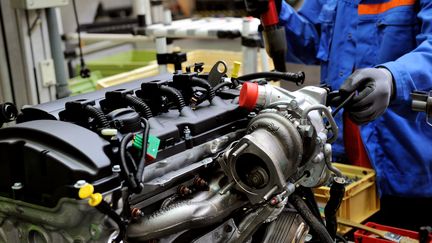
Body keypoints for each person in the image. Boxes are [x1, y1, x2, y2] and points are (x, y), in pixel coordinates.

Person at [245, 0, 432, 229]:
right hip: (338, 159)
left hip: (405, 165)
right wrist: (277, 11)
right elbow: (310, 43)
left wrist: (394, 78)